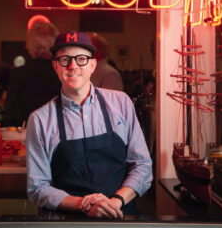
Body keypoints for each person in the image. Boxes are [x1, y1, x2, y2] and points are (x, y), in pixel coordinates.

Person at [26, 30, 152, 219]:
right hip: (69, 220)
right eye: (65, 60)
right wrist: (84, 205)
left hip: (121, 214)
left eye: (81, 59)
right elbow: (38, 187)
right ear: (55, 66)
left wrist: (113, 202)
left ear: (92, 65)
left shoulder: (121, 103)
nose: (73, 66)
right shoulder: (40, 119)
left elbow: (142, 165)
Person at [5, 20, 60, 127]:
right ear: (55, 44)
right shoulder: (62, 73)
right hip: (56, 136)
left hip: (26, 135)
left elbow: (10, 112)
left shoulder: (19, 74)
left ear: (30, 44)